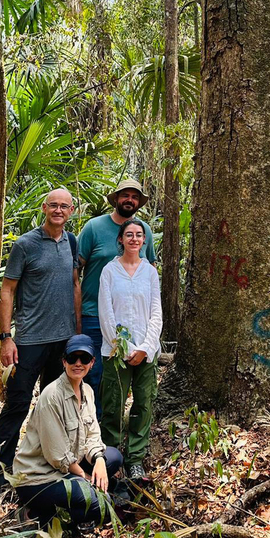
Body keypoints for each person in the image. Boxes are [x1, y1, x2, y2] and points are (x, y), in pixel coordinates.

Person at [0, 188, 81, 483]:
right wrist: (6, 336)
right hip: (28, 341)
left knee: (55, 405)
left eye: (63, 206)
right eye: (53, 205)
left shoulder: (72, 241)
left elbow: (75, 284)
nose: (58, 210)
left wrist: (77, 332)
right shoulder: (25, 244)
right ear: (44, 208)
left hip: (63, 341)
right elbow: (7, 289)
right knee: (17, 404)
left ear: (71, 211)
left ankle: (46, 464)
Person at [13, 334, 126, 530]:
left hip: (68, 467)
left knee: (113, 457)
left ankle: (68, 502)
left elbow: (92, 435)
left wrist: (98, 459)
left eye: (84, 359)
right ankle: (37, 514)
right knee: (102, 504)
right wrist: (86, 478)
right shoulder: (51, 396)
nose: (78, 363)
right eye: (73, 358)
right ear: (64, 361)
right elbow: (57, 456)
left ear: (92, 362)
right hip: (39, 476)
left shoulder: (88, 392)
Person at [78, 178, 156, 415]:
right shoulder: (94, 227)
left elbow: (149, 272)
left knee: (123, 379)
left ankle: (113, 429)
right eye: (125, 195)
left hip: (132, 320)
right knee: (95, 374)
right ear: (116, 199)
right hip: (93, 314)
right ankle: (93, 429)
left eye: (134, 197)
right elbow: (75, 270)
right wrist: (75, 312)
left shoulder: (144, 231)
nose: (129, 200)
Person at [98, 218, 162, 483]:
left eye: (139, 235)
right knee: (113, 404)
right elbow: (106, 313)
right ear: (121, 239)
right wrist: (123, 348)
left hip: (147, 352)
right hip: (115, 352)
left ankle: (135, 459)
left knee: (143, 404)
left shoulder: (150, 272)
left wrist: (146, 348)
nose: (134, 239)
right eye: (129, 235)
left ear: (144, 241)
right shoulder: (109, 271)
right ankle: (111, 458)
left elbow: (156, 311)